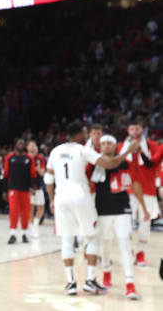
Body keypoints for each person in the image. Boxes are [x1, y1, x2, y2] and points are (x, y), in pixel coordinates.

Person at [44, 121, 139, 296]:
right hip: (80, 196)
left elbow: (48, 180)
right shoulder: (83, 150)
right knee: (92, 237)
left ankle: (71, 283)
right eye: (85, 132)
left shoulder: (55, 151)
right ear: (79, 134)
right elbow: (109, 164)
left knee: (66, 239)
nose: (87, 135)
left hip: (60, 198)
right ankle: (89, 280)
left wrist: (51, 199)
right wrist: (127, 152)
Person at [89, 135, 149, 299]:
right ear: (99, 147)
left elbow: (136, 184)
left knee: (124, 243)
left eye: (109, 143)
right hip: (102, 211)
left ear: (116, 146)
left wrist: (144, 208)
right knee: (105, 244)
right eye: (103, 143)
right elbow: (88, 186)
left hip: (122, 209)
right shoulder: (95, 162)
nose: (106, 146)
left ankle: (130, 284)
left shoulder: (126, 163)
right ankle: (106, 271)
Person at [116, 117, 162, 266]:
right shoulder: (120, 146)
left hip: (147, 188)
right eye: (132, 129)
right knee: (126, 223)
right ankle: (129, 252)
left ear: (142, 129)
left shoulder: (152, 146)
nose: (135, 132)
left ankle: (141, 253)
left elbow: (152, 164)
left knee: (145, 223)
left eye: (137, 129)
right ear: (127, 131)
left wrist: (141, 151)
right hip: (126, 189)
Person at [3, 139, 37, 244]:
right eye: (19, 143)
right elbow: (5, 174)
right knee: (13, 211)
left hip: (25, 189)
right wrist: (4, 190)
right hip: (13, 189)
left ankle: (24, 234)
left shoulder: (29, 159)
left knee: (25, 212)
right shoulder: (9, 158)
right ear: (16, 145)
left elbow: (33, 174)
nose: (21, 145)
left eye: (23, 143)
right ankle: (12, 234)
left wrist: (33, 187)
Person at [27, 140, 46, 238]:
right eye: (31, 145)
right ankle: (31, 228)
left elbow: (43, 173)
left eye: (35, 145)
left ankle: (35, 225)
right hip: (29, 187)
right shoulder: (25, 158)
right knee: (30, 208)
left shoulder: (40, 158)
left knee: (41, 208)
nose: (34, 147)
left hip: (38, 186)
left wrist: (38, 169)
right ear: (27, 148)